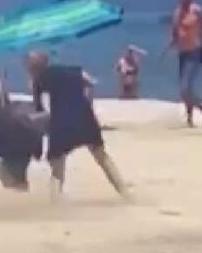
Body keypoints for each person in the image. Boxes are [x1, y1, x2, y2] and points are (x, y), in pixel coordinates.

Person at [25, 50, 130, 200]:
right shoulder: (71, 70)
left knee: (57, 168)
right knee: (102, 158)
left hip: (61, 121)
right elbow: (89, 81)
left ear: (32, 69)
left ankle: (55, 203)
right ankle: (125, 194)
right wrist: (89, 103)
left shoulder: (39, 80)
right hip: (85, 116)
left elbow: (41, 110)